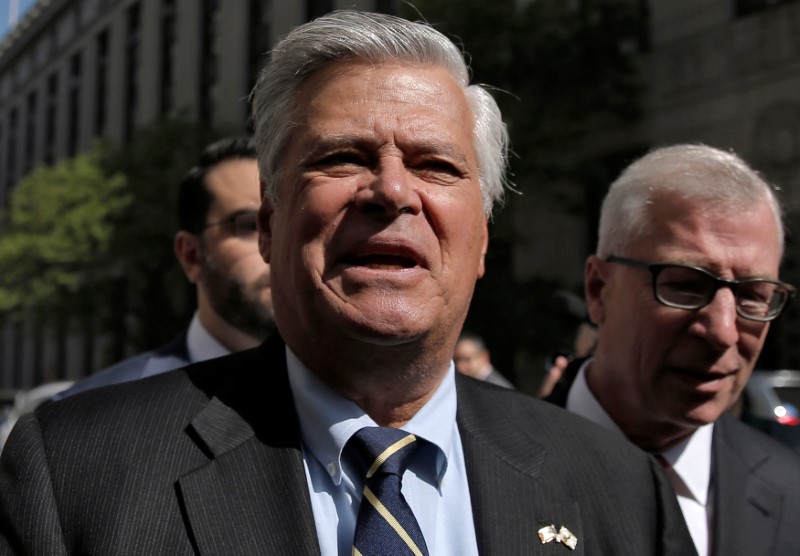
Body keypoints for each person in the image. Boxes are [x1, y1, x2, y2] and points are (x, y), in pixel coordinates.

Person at [0, 12, 695, 554]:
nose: (392, 190)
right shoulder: (74, 475)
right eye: (342, 158)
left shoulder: (620, 489)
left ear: (481, 240)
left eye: (435, 166)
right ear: (271, 227)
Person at [546, 144, 800, 556]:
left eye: (752, 296)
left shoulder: (792, 494)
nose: (722, 332)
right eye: (686, 285)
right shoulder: (481, 477)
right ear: (599, 289)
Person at [52, 136, 275, 400]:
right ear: (191, 256)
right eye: (251, 225)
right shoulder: (82, 420)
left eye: (294, 223)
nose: (282, 245)